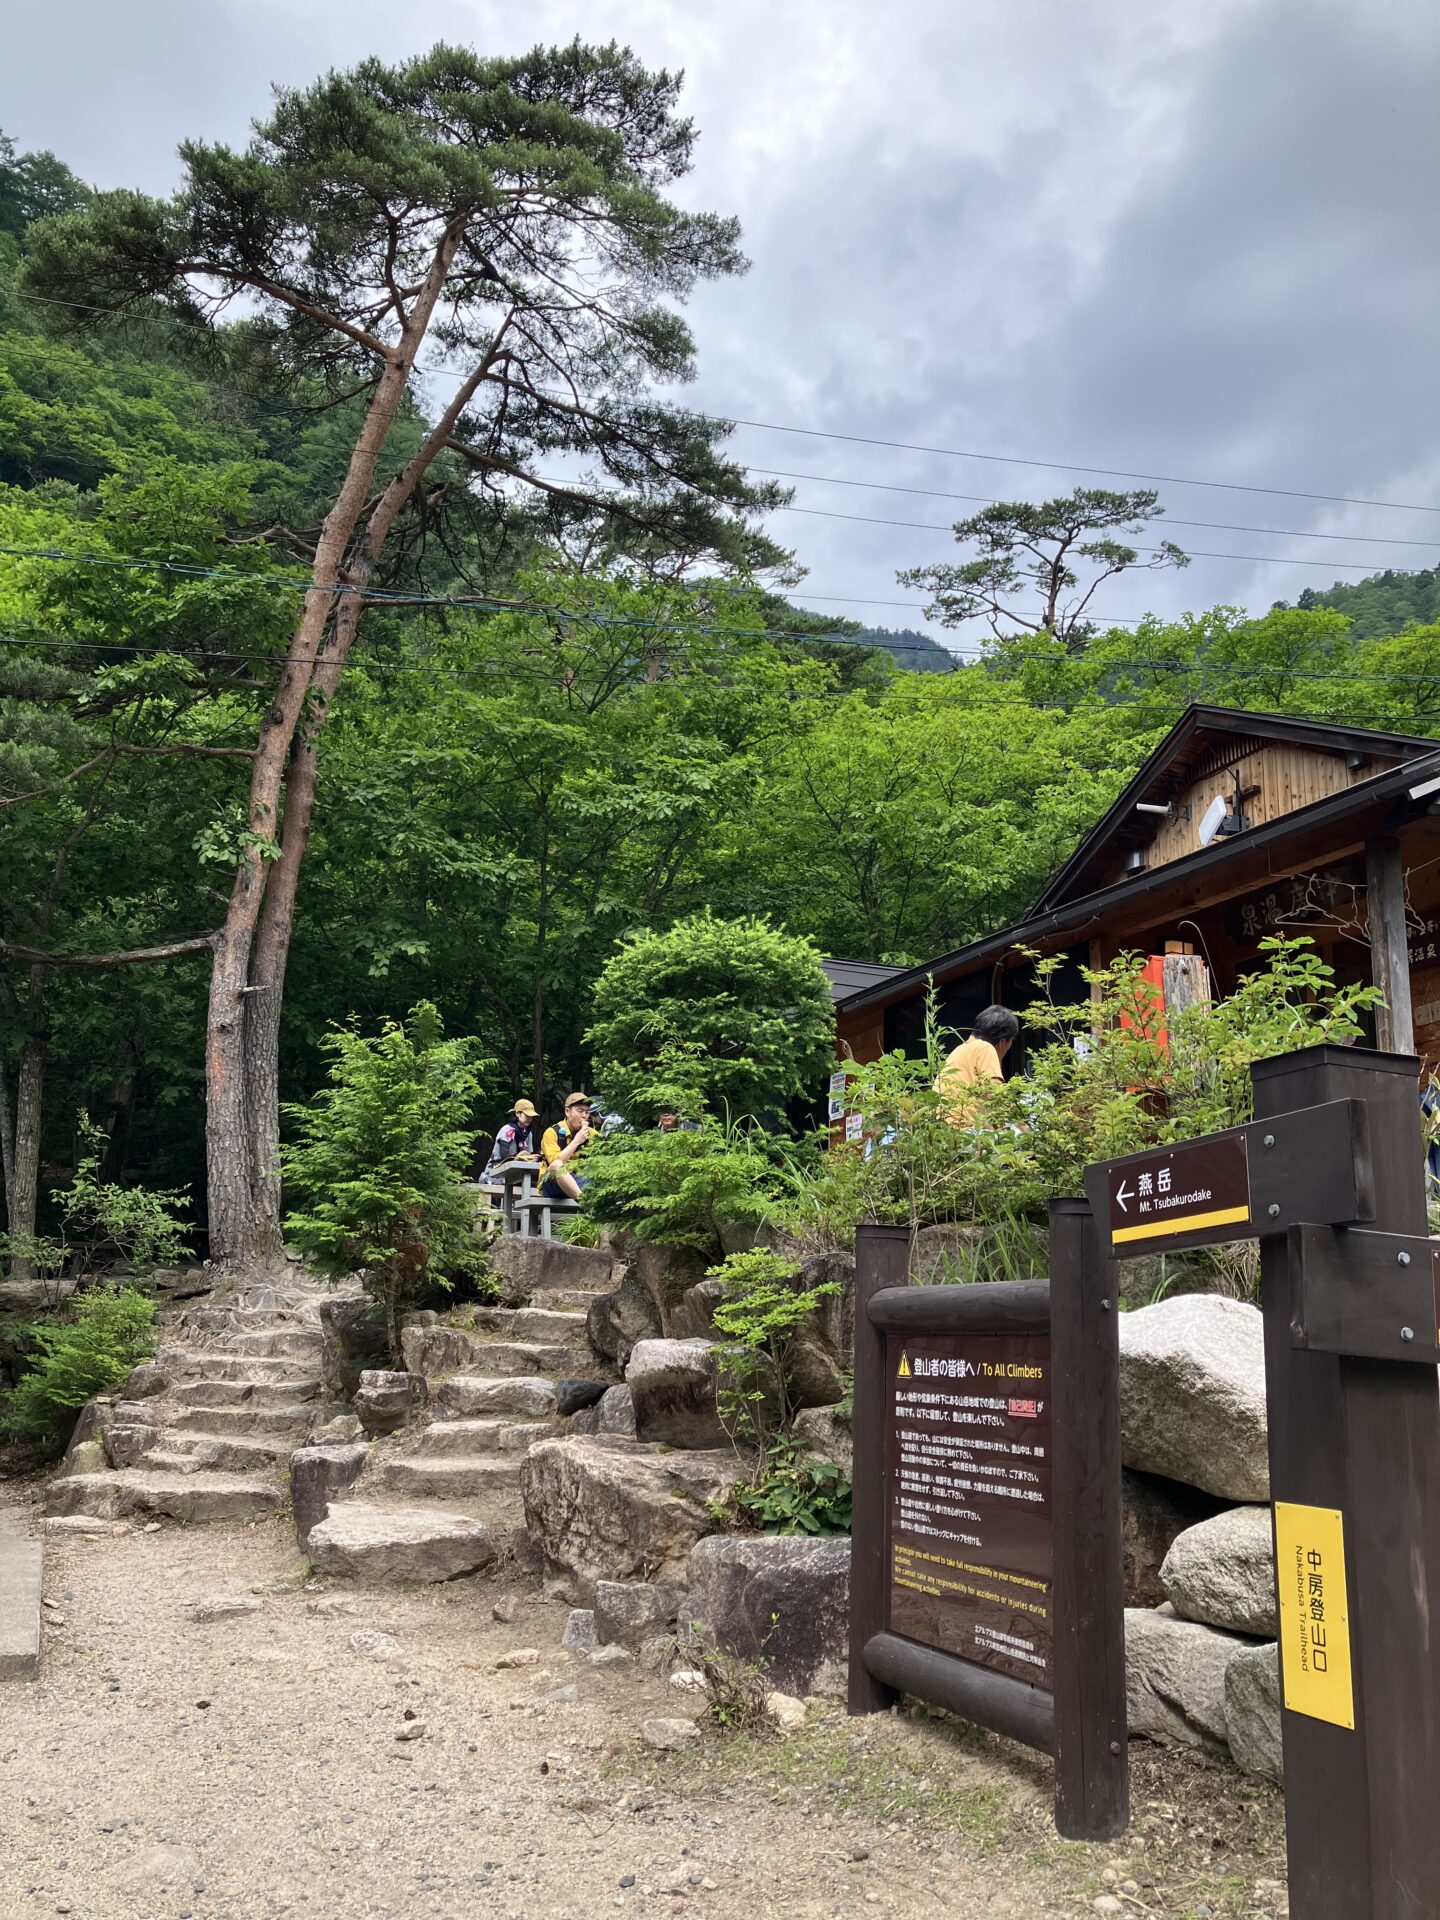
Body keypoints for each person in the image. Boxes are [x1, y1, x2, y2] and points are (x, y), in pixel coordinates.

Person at [935, 1006, 1019, 1126]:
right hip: (965, 1128)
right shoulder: (986, 1048)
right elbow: (996, 1095)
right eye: (1011, 1040)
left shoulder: (959, 1050)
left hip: (944, 1127)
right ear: (1002, 1041)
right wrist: (1024, 1125)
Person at [540, 1092, 594, 1201]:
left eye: (587, 1112)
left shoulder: (592, 1134)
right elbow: (554, 1164)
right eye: (580, 1111)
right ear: (567, 1112)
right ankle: (584, 1203)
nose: (584, 1116)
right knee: (556, 1165)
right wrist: (576, 1141)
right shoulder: (552, 1132)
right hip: (553, 1183)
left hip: (580, 1179)